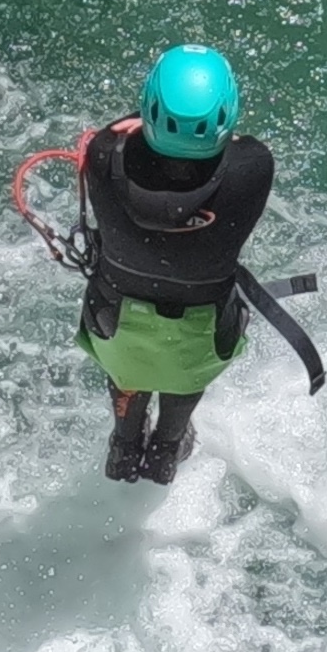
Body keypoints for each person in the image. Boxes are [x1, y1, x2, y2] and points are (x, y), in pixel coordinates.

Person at [76, 45, 276, 485]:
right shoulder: (254, 168)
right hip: (201, 331)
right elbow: (236, 150)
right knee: (183, 370)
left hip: (116, 322)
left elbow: (111, 134)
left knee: (130, 366)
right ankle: (167, 448)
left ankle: (124, 446)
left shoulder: (104, 156)